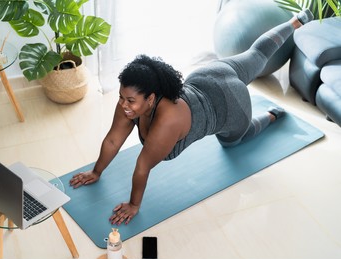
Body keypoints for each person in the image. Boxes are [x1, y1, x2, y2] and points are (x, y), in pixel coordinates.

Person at [70, 9, 314, 225]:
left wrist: (134, 205)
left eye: (130, 100)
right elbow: (113, 140)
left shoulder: (168, 119)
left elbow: (143, 166)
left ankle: (271, 115)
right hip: (209, 75)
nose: (123, 104)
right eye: (122, 96)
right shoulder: (131, 102)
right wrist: (96, 172)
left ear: (151, 98)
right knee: (256, 55)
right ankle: (297, 21)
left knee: (234, 141)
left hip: (230, 104)